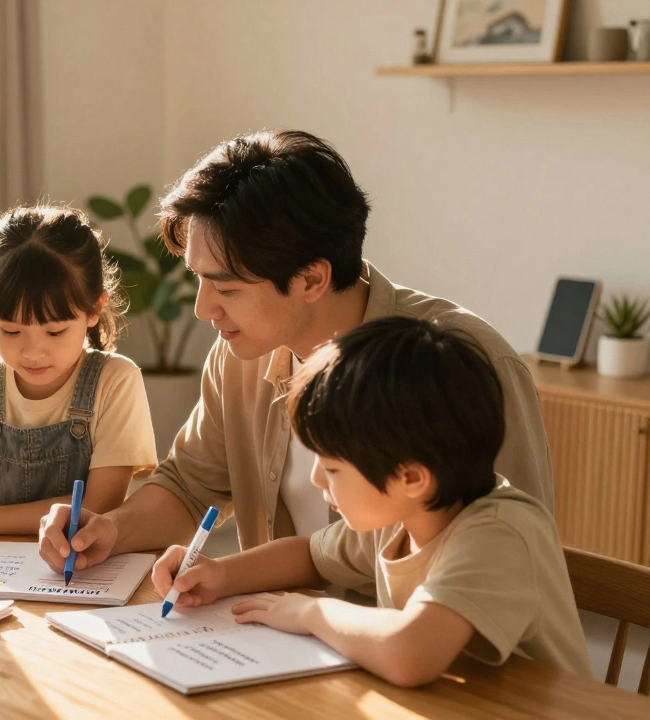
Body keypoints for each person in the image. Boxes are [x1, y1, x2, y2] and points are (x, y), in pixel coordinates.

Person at [39, 130, 552, 572]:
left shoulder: (465, 366)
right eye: (198, 280)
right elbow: (190, 487)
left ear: (311, 278)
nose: (202, 309)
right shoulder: (242, 353)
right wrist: (108, 529)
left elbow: (508, 554)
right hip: (284, 643)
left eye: (227, 288)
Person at [150, 317, 589, 686]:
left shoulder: (498, 533)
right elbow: (312, 556)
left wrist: (311, 612)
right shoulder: (404, 512)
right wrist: (220, 573)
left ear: (411, 477)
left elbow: (411, 653)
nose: (315, 477)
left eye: (334, 468)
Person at [0, 206, 158, 561]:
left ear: (94, 308)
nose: (33, 352)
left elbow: (99, 505)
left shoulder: (115, 381)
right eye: (10, 330)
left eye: (54, 331)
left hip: (73, 567)